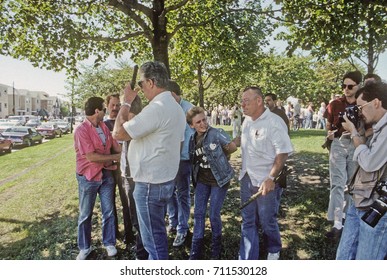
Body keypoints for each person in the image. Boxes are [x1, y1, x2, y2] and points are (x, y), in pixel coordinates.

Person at [112, 61, 186, 260]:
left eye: (142, 84)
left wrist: (126, 102)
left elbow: (118, 133)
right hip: (165, 181)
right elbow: (177, 145)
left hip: (149, 185)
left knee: (153, 244)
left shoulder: (157, 108)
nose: (140, 89)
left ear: (152, 82)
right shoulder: (176, 108)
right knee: (158, 235)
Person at [235, 86, 293, 260]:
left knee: (267, 221)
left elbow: (282, 153)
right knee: (248, 220)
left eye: (246, 101)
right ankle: (247, 258)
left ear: (259, 101)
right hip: (247, 178)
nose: (242, 105)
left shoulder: (274, 122)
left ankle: (274, 248)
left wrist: (271, 178)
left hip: (266, 180)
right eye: (242, 101)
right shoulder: (246, 121)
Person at [337, 81, 387, 259]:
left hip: (377, 207)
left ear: (376, 102)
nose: (359, 112)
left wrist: (355, 134)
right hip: (360, 200)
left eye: (360, 107)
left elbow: (370, 163)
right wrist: (358, 131)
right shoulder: (377, 129)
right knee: (344, 257)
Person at [186, 106, 237, 259]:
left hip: (219, 179)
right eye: (198, 122)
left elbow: (231, 147)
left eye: (204, 120)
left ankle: (216, 248)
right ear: (191, 125)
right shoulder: (192, 139)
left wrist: (226, 151)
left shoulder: (216, 133)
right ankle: (196, 250)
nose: (202, 124)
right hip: (202, 180)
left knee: (214, 213)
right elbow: (193, 160)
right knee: (199, 213)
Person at [74, 96, 121, 260]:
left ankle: (109, 243)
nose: (106, 111)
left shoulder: (104, 127)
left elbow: (115, 146)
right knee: (85, 214)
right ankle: (85, 247)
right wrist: (116, 157)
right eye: (104, 108)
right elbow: (91, 157)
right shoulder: (81, 130)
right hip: (88, 177)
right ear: (97, 111)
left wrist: (124, 152)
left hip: (106, 175)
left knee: (108, 212)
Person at [324, 70, 362, 239]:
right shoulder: (335, 103)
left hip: (356, 143)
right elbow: (328, 123)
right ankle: (337, 222)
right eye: (343, 86)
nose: (346, 89)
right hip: (338, 144)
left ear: (358, 86)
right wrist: (330, 133)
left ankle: (347, 215)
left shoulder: (364, 103)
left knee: (351, 184)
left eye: (350, 86)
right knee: (337, 183)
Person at [165, 80, 195, 247]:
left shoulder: (189, 109)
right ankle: (173, 222)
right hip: (168, 159)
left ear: (174, 94)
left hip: (183, 160)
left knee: (182, 194)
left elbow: (199, 132)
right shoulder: (168, 109)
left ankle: (182, 229)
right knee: (169, 193)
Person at [119, 95, 149, 260]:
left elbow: (118, 133)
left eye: (125, 110)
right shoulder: (131, 125)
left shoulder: (137, 126)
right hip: (128, 175)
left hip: (138, 177)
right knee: (136, 218)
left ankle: (143, 254)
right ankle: (142, 250)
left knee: (140, 220)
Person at [104, 93, 135, 249]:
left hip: (123, 169)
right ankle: (114, 233)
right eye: (113, 105)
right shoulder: (103, 124)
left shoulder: (124, 121)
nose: (115, 108)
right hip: (108, 169)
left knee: (126, 202)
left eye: (118, 105)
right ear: (107, 105)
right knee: (109, 204)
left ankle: (129, 234)